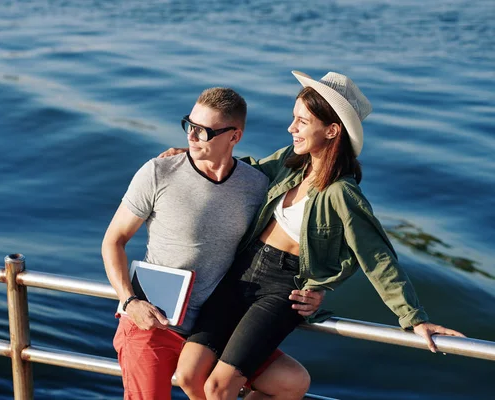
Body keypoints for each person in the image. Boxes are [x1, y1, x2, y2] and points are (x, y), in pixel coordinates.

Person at [166, 71, 466, 400]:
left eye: (302, 122)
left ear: (331, 130)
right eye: (294, 119)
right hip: (241, 273)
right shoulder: (289, 162)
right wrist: (195, 153)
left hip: (283, 290)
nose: (291, 128)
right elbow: (244, 172)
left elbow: (376, 257)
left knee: (218, 387)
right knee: (188, 375)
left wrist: (414, 318)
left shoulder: (341, 193)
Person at [101, 87, 325, 400]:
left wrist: (316, 290)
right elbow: (113, 241)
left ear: (235, 137)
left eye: (203, 131)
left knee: (291, 383)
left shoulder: (257, 185)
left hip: (218, 327)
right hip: (151, 323)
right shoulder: (158, 172)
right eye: (189, 125)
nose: (192, 136)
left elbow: (288, 241)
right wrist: (129, 301)